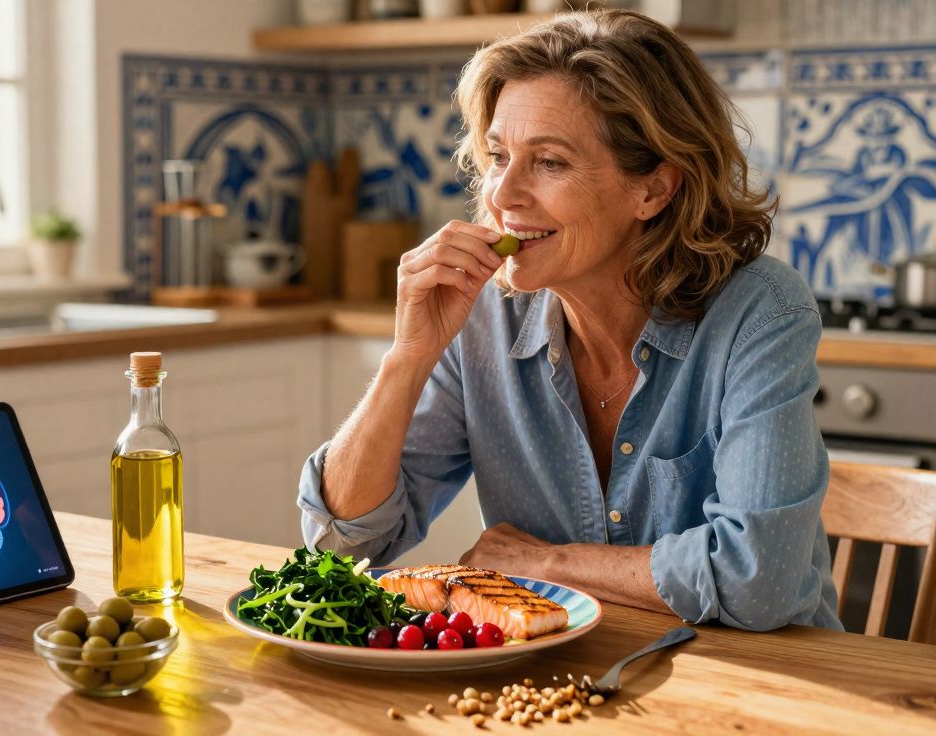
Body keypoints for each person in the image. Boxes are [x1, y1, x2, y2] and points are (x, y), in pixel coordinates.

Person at [296, 9, 841, 632]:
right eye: (499, 156)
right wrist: (408, 356)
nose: (502, 196)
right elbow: (338, 546)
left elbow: (757, 581)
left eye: (549, 162)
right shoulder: (481, 315)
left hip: (769, 688)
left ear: (654, 190)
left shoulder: (761, 311)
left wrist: (543, 562)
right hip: (570, 682)